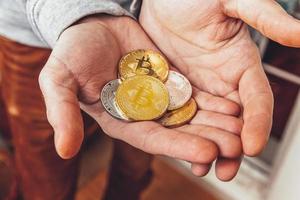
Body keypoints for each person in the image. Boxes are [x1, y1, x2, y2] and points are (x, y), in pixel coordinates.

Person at [0, 0, 299, 199]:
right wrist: (73, 9)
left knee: (140, 152)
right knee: (45, 160)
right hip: (31, 26)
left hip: (169, 28)